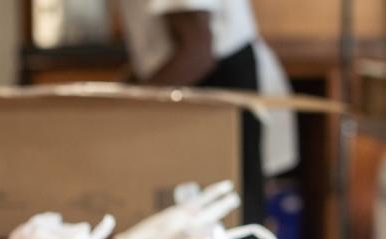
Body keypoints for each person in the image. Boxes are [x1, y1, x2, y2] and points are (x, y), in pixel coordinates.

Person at [120, 0, 298, 225]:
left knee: (231, 223)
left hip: (219, 89)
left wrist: (124, 109)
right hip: (195, 87)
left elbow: (197, 51)